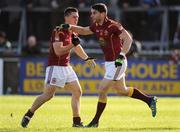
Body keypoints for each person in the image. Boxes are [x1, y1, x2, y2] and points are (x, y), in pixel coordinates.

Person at [60, 3, 157, 127]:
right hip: (109, 64)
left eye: (94, 13)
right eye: (91, 13)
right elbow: (84, 30)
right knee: (122, 90)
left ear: (103, 13)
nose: (92, 15)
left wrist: (122, 55)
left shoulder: (113, 25)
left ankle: (95, 121)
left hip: (118, 63)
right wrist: (70, 26)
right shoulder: (96, 26)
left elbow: (128, 39)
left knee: (102, 89)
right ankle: (150, 100)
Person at [21, 7, 96, 128]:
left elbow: (77, 47)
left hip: (66, 66)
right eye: (74, 17)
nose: (76, 19)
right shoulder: (59, 30)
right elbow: (58, 51)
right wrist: (73, 44)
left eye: (77, 17)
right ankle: (28, 114)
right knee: (48, 95)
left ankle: (76, 122)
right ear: (66, 18)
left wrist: (86, 58)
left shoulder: (73, 31)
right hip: (55, 67)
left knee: (77, 91)